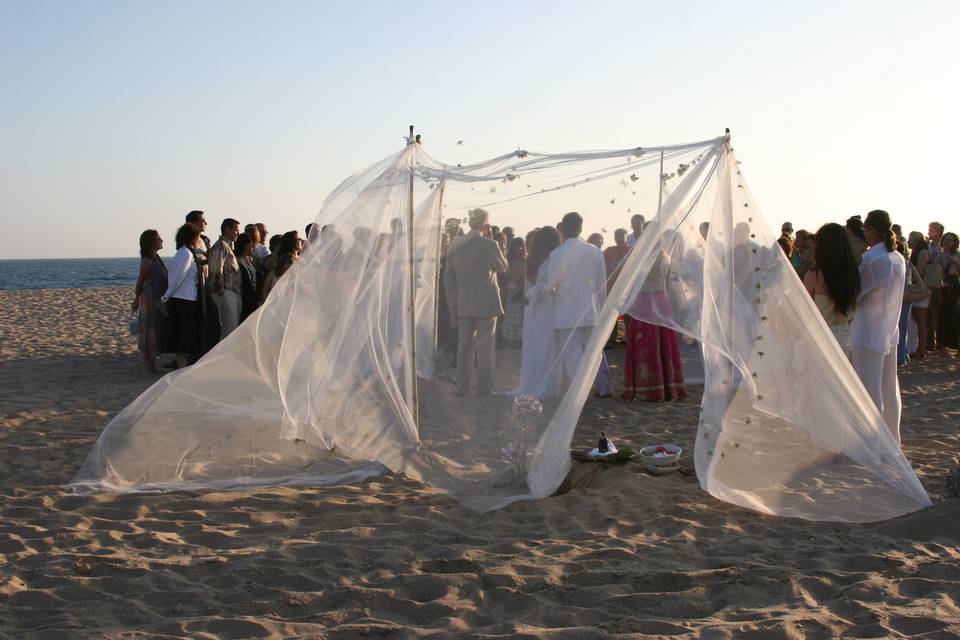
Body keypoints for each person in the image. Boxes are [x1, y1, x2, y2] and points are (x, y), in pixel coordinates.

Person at [850, 210, 906, 443]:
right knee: (888, 388)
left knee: (868, 388)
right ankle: (892, 439)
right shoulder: (898, 258)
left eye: (864, 229)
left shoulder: (873, 259)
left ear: (871, 229)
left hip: (868, 331)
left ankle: (872, 443)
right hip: (890, 329)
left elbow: (856, 293)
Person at [442, 208, 508, 396]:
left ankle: (462, 387)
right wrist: (503, 248)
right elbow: (503, 267)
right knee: (485, 348)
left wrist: (453, 303)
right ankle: (485, 389)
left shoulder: (455, 244)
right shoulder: (490, 244)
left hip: (464, 302)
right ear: (486, 225)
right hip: (486, 303)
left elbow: (448, 278)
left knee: (464, 347)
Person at [548, 211, 612, 397]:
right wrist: (601, 307)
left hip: (566, 311)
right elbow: (602, 284)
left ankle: (579, 392)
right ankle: (604, 387)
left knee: (572, 354)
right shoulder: (594, 251)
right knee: (595, 351)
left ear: (563, 230)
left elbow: (552, 283)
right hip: (591, 309)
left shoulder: (557, 253)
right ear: (580, 228)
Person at [622, 232, 687, 402]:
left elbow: (633, 280)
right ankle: (666, 385)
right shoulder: (665, 256)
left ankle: (647, 387)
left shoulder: (642, 258)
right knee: (662, 344)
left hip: (644, 301)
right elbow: (669, 282)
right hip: (661, 301)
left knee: (646, 344)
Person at [803, 223, 860, 360]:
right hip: (845, 339)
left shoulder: (814, 276)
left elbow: (804, 310)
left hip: (821, 341)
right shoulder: (853, 273)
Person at [517, 226, 562, 398]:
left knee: (538, 346)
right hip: (545, 307)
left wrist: (529, 296)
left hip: (537, 307)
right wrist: (532, 295)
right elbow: (545, 287)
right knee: (545, 347)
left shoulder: (539, 259)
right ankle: (543, 384)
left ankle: (536, 382)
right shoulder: (552, 259)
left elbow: (540, 287)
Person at [161, 224, 203, 370]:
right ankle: (181, 369)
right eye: (198, 237)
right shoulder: (185, 253)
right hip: (183, 301)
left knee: (184, 340)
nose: (199, 240)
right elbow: (178, 278)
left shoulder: (186, 252)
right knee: (182, 340)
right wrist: (166, 297)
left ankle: (182, 368)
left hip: (186, 300)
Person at [133, 229, 168, 373]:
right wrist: (136, 300)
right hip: (149, 299)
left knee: (157, 330)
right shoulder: (147, 261)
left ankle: (152, 363)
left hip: (157, 298)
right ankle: (150, 365)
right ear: (151, 242)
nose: (162, 241)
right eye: (159, 239)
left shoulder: (156, 258)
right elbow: (140, 283)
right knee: (149, 332)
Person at [208, 218, 243, 339]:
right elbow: (216, 269)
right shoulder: (221, 246)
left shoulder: (228, 246)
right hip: (226, 293)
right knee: (229, 330)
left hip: (232, 293)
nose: (238, 233)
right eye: (236, 230)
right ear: (227, 229)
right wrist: (221, 292)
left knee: (232, 330)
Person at [907, 231, 931, 359]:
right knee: (918, 319)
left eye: (911, 239)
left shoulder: (922, 253)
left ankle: (922, 350)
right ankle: (920, 348)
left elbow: (919, 271)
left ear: (917, 241)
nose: (908, 242)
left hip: (922, 289)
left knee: (920, 319)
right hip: (921, 288)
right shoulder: (918, 252)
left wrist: (911, 284)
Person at [925, 221, 947, 352]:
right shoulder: (928, 245)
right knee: (928, 314)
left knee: (938, 313)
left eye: (931, 230)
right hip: (930, 282)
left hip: (941, 284)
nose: (929, 232)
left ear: (938, 232)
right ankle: (930, 342)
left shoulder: (942, 247)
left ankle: (940, 341)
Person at [501, 237, 527, 346]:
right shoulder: (507, 260)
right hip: (510, 292)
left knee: (521, 319)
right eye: (517, 245)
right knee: (511, 318)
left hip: (522, 292)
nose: (519, 248)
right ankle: (509, 342)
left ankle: (520, 343)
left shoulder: (525, 260)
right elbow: (504, 277)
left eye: (521, 245)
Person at [940, 232, 960, 351]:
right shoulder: (939, 254)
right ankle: (942, 344)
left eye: (950, 240)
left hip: (954, 286)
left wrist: (955, 263)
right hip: (940, 285)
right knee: (943, 315)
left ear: (955, 242)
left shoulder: (957, 254)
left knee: (954, 315)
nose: (947, 242)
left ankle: (957, 346)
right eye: (945, 239)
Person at [234, 233, 259, 322]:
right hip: (243, 297)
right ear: (244, 245)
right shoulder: (236, 259)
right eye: (250, 244)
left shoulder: (250, 259)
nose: (253, 246)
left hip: (252, 297)